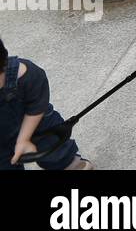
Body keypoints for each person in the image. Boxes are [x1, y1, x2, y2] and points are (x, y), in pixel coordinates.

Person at [2, 37, 92, 170]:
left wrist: (23, 139)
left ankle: (70, 165)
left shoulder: (24, 74)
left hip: (35, 120)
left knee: (53, 147)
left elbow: (37, 106)